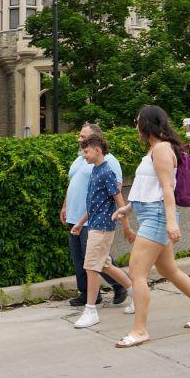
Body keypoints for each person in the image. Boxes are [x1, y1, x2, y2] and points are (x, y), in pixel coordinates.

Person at [112, 105, 190, 347]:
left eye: (137, 120)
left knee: (136, 273)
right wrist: (128, 208)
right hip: (151, 214)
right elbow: (149, 188)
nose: (135, 124)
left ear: (147, 123)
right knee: (168, 270)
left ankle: (140, 330)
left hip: (157, 217)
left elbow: (167, 189)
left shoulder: (161, 149)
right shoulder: (155, 149)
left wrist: (171, 222)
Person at [61, 123, 134, 308]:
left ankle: (116, 289)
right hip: (77, 216)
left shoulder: (108, 163)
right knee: (83, 258)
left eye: (83, 136)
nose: (79, 139)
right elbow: (72, 184)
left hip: (96, 221)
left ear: (96, 142)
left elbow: (115, 193)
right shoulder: (82, 160)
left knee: (96, 261)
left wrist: (124, 221)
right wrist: (65, 207)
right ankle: (88, 293)